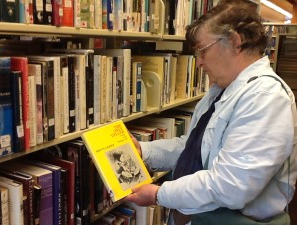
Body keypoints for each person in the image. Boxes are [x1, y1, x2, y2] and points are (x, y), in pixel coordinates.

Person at [124, 0, 297, 224]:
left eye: (202, 51)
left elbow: (230, 186)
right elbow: (194, 150)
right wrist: (143, 150)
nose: (198, 63)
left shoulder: (266, 97)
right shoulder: (221, 90)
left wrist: (159, 194)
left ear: (235, 42)